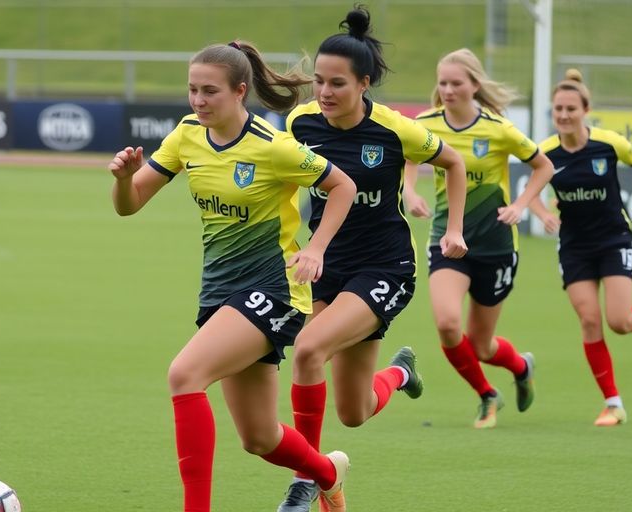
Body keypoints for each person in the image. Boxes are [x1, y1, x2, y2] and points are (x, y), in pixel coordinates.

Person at [108, 40, 358, 512]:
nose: (198, 101)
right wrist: (124, 179)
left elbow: (342, 185)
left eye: (210, 91)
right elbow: (130, 205)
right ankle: (328, 472)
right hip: (220, 293)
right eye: (192, 90)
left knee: (184, 375)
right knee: (260, 438)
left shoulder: (273, 147)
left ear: (240, 91)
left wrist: (317, 248)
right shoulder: (186, 135)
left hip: (276, 291)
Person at [276, 6, 468, 511]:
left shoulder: (393, 130)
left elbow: (453, 161)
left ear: (364, 84)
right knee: (355, 411)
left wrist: (452, 229)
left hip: (385, 268)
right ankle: (401, 374)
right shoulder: (300, 123)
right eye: (318, 81)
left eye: (337, 83)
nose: (324, 92)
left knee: (307, 350)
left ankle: (304, 480)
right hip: (324, 267)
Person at [403, 48, 554, 429]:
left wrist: (520, 204)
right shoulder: (425, 124)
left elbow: (544, 166)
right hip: (447, 241)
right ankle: (487, 395)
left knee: (482, 345)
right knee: (448, 325)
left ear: (474, 85)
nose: (448, 90)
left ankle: (521, 366)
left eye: (457, 83)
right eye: (442, 82)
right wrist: (409, 190)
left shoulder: (498, 128)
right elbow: (408, 156)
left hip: (496, 245)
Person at [527, 69, 632, 427]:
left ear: (585, 109)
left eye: (570, 109)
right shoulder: (545, 152)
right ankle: (613, 404)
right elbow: (529, 192)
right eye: (557, 109)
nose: (563, 115)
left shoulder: (608, 144)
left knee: (620, 322)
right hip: (575, 247)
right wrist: (544, 212)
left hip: (614, 239)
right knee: (590, 321)